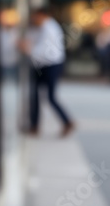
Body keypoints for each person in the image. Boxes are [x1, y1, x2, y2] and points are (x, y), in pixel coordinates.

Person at [20, 8, 74, 137]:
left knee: (50, 97)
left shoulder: (49, 28)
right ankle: (35, 126)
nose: (34, 19)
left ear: (41, 15)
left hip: (50, 65)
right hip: (43, 65)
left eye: (35, 17)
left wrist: (28, 50)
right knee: (36, 96)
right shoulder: (43, 27)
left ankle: (67, 122)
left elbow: (44, 51)